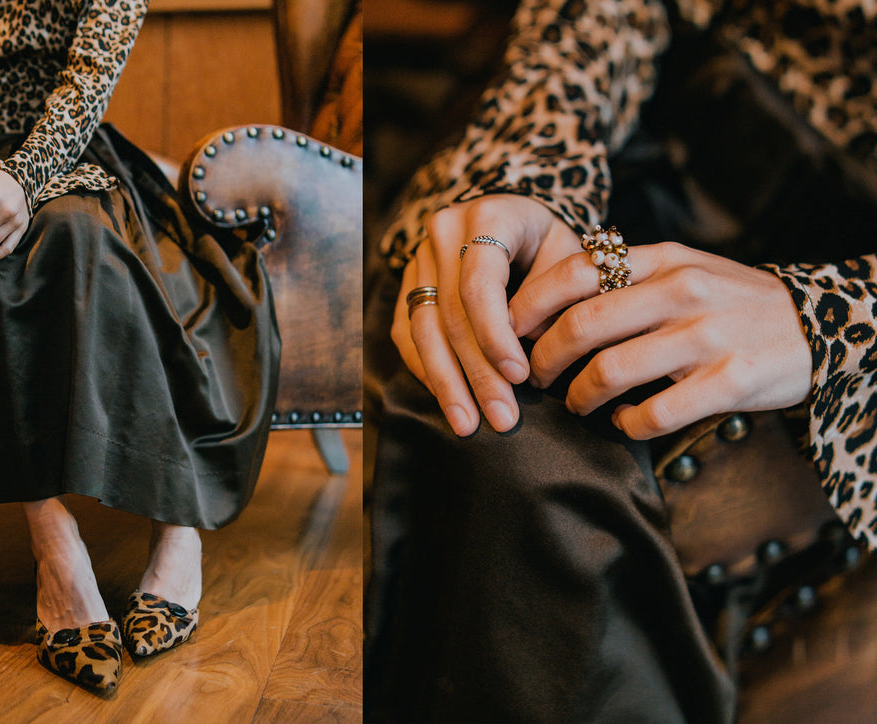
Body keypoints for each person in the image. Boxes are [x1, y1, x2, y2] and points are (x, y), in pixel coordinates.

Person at [366, 0, 877, 720]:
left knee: (544, 465)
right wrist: (527, 169)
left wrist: (834, 319)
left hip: (834, 234)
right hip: (655, 139)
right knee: (474, 350)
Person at [0, 0, 279, 693]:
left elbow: (89, 77)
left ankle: (177, 527)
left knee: (81, 242)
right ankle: (54, 543)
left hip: (66, 148)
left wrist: (24, 177)